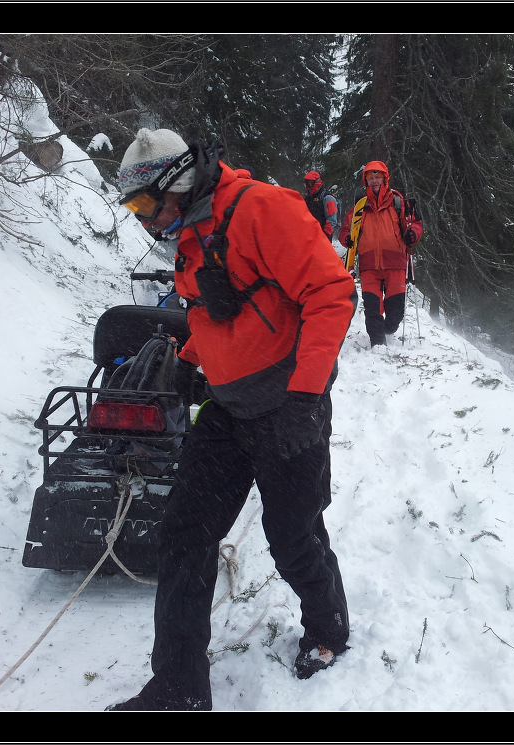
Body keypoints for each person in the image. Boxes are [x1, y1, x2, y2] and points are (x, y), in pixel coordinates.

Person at [109, 128, 357, 711]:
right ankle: (177, 687)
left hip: (287, 405)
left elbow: (331, 293)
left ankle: (327, 629)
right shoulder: (188, 235)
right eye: (133, 209)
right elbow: (217, 312)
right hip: (227, 408)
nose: (144, 220)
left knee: (292, 535)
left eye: (147, 204)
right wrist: (192, 362)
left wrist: (303, 398)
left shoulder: (263, 210)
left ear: (180, 182)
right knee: (185, 533)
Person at [338, 161, 422, 349]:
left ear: (385, 179)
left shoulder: (397, 202)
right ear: (365, 181)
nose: (374, 181)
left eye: (377, 177)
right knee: (373, 310)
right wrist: (346, 238)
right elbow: (346, 229)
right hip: (369, 267)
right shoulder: (359, 207)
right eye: (370, 178)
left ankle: (388, 331)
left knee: (395, 313)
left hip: (395, 263)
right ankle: (378, 345)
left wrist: (413, 234)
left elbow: (415, 224)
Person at [302, 170, 340, 242]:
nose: (307, 187)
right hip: (308, 236)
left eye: (309, 184)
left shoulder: (328, 198)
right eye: (305, 184)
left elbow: (332, 220)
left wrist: (324, 236)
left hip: (322, 237)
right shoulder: (308, 198)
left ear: (316, 183)